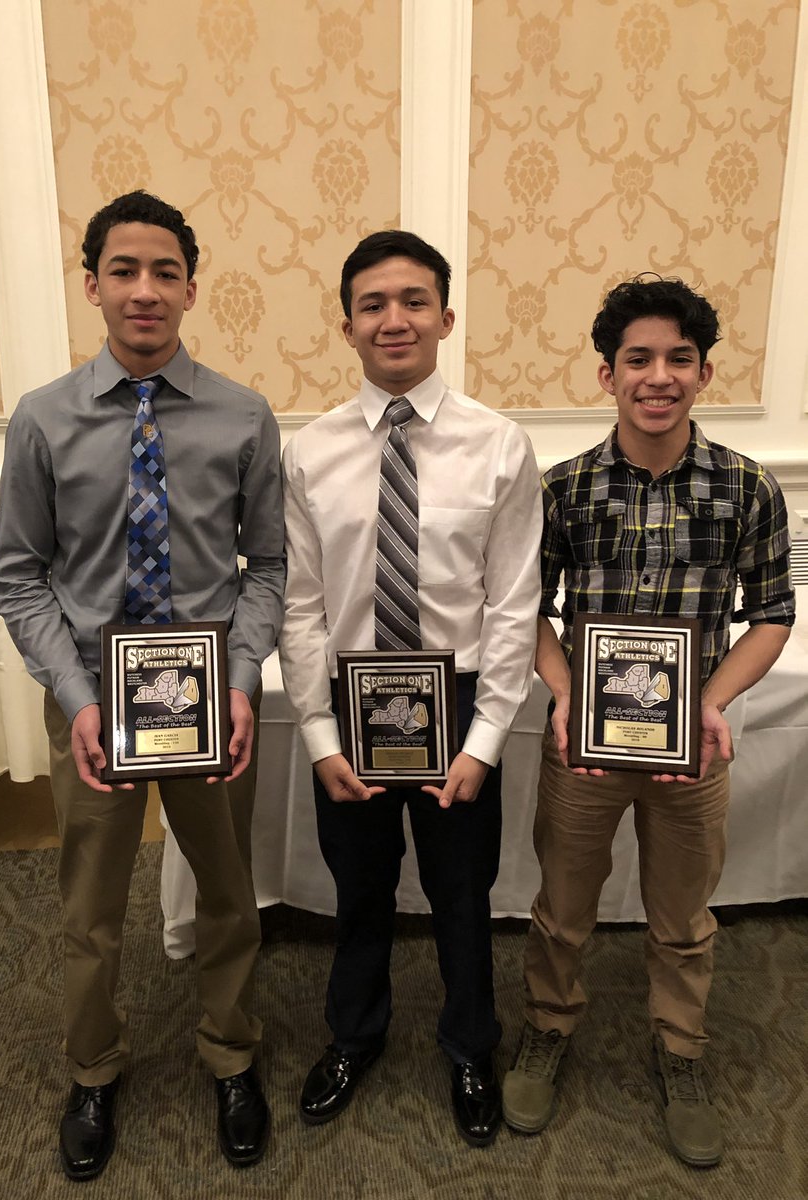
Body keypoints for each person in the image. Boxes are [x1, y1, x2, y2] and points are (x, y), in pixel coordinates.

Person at [0, 191, 285, 1180]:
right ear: (93, 286)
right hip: (92, 698)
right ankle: (93, 1068)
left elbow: (268, 567)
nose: (145, 290)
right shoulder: (43, 419)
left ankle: (231, 1052)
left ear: (192, 289)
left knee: (229, 890)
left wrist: (241, 681)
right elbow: (19, 576)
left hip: (211, 699)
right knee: (90, 903)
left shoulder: (244, 416)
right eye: (124, 271)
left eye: (166, 272)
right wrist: (77, 699)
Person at [501, 276, 795, 1168]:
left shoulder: (747, 487)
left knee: (683, 916)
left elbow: (771, 616)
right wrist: (564, 695)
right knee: (562, 908)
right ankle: (549, 1028)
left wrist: (709, 701)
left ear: (704, 373)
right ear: (608, 374)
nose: (658, 376)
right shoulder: (563, 488)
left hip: (690, 749)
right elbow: (527, 612)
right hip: (584, 747)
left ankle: (681, 1049)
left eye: (678, 359)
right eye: (639, 359)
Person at [278, 230, 541, 1147]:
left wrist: (485, 740)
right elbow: (302, 605)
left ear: (446, 317)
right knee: (360, 889)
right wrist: (318, 734)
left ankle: (471, 1046)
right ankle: (354, 1036)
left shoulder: (498, 446)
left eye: (414, 301)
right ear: (347, 325)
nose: (395, 319)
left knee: (463, 893)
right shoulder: (309, 452)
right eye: (373, 304)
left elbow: (513, 604)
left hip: (457, 706)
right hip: (350, 704)